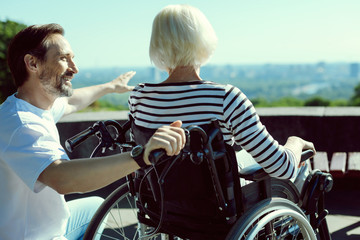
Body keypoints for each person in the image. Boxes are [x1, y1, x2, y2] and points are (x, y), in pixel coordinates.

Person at [0, 23, 186, 240]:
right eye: (63, 58)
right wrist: (141, 157)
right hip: (31, 236)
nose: (74, 68)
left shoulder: (34, 106)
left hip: (44, 227)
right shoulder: (20, 124)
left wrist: (110, 86)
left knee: (94, 208)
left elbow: (73, 101)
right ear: (32, 63)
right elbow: (61, 178)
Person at [128, 4, 315, 181]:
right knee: (300, 166)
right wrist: (295, 142)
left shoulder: (139, 97)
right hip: (215, 208)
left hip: (158, 205)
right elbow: (282, 168)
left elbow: (138, 158)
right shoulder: (225, 98)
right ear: (203, 41)